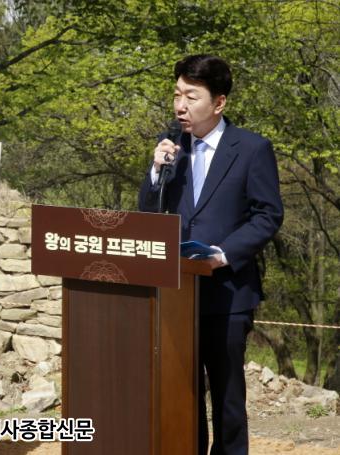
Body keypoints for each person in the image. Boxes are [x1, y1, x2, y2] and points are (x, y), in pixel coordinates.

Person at [138, 54, 283, 455]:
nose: (180, 106)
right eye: (177, 95)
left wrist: (224, 252)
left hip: (228, 292)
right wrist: (155, 171)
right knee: (182, 392)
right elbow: (148, 212)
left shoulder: (252, 148)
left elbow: (268, 215)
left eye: (191, 96)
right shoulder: (171, 148)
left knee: (227, 396)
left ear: (219, 102)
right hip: (177, 293)